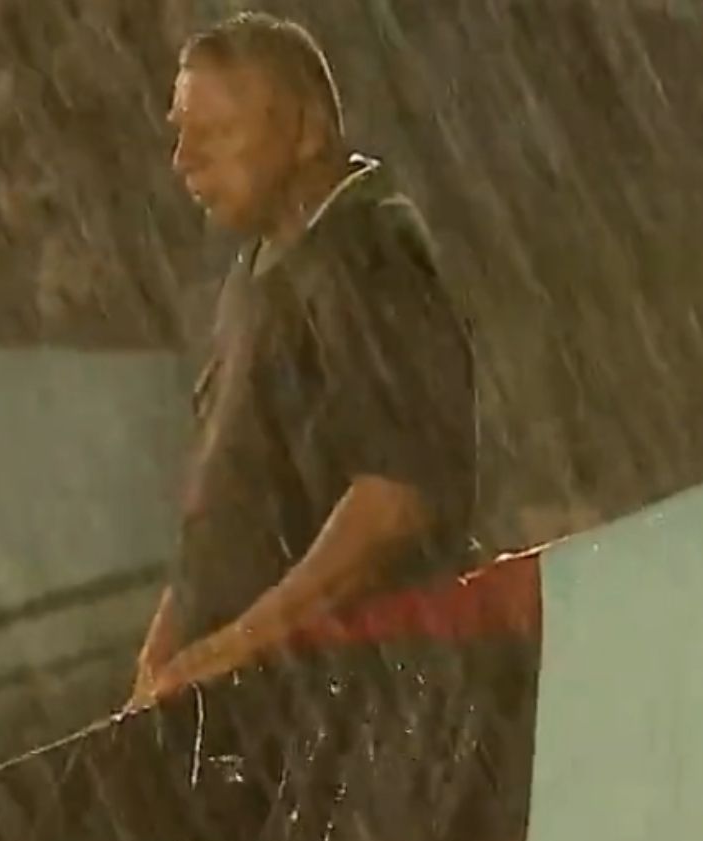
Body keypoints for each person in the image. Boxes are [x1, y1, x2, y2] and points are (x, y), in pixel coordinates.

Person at [130, 12, 480, 708]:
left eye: (216, 134)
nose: (183, 160)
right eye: (180, 133)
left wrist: (224, 654)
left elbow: (394, 502)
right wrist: (158, 665)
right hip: (274, 705)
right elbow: (224, 502)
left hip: (364, 702)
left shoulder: (367, 251)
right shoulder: (256, 273)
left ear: (307, 131)